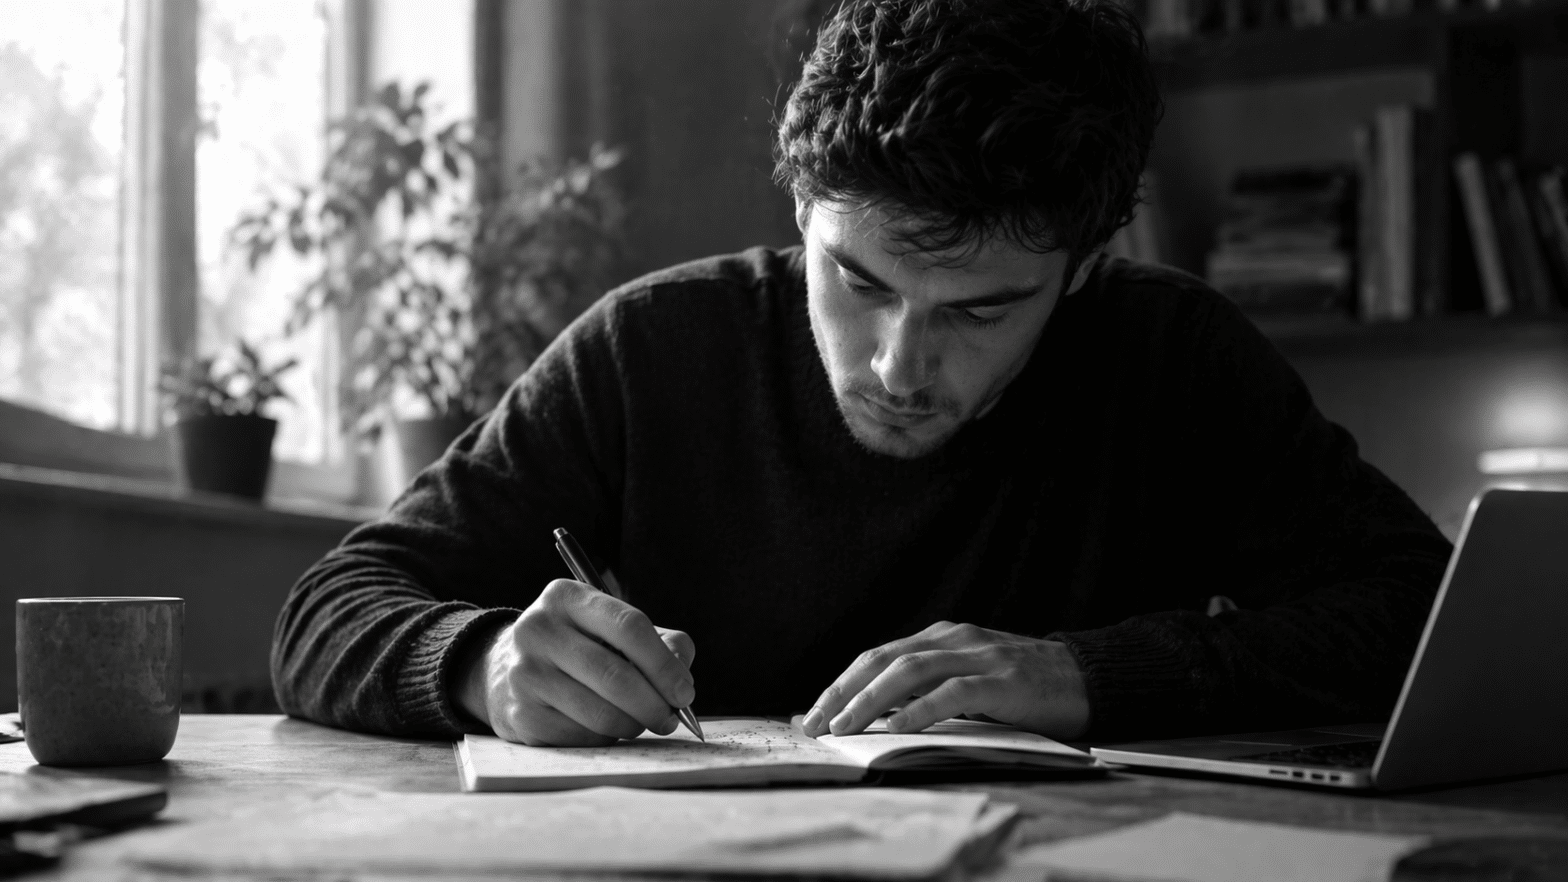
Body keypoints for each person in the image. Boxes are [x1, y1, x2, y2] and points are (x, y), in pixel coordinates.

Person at [271, 0, 1452, 748]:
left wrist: (1087, 674)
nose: (897, 365)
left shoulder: (1172, 360)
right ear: (802, 209)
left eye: (981, 309)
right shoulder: (653, 348)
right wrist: (478, 664)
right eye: (860, 281)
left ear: (1085, 270)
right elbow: (327, 613)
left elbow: (1422, 616)